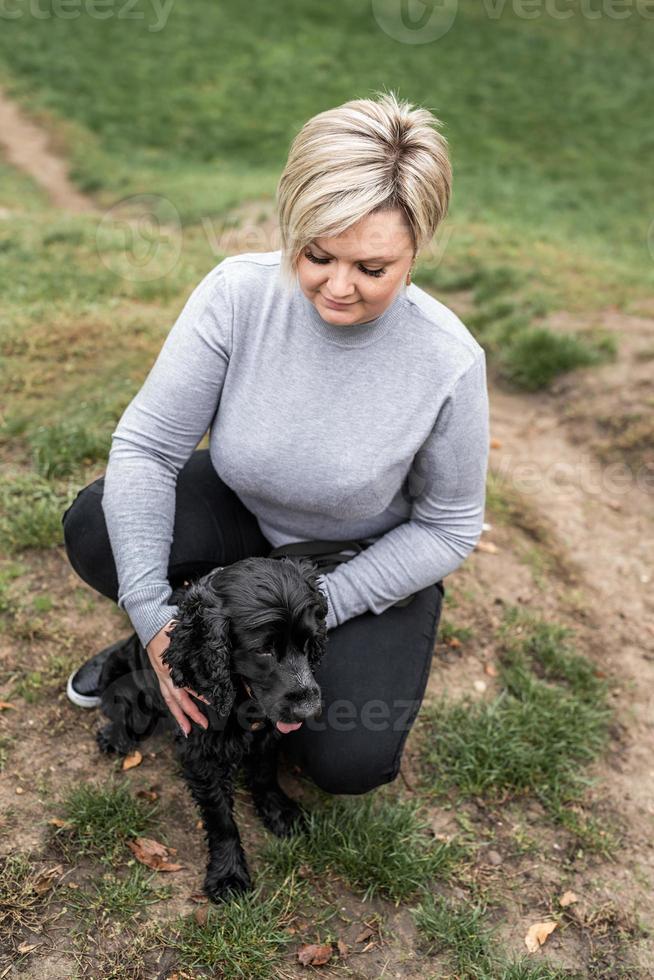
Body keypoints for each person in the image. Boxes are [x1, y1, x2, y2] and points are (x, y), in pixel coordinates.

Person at [62, 90, 489, 796]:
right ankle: (173, 643)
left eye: (372, 268)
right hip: (243, 511)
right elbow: (146, 448)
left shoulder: (448, 361)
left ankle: (245, 647)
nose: (338, 288)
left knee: (348, 762)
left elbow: (448, 527)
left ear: (418, 248)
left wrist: (319, 606)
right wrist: (155, 621)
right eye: (317, 255)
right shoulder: (237, 294)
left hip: (350, 560)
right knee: (95, 525)